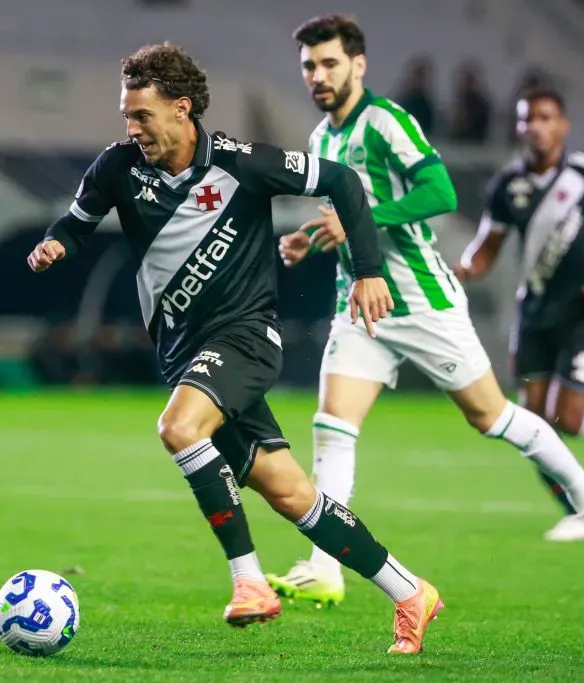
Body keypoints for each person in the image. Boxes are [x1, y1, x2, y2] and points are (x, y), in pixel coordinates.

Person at [27, 42, 443, 654]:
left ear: (182, 108)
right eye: (127, 115)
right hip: (184, 355)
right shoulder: (117, 168)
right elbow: (76, 222)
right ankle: (410, 592)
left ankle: (249, 581)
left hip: (245, 338)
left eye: (142, 115)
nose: (131, 128)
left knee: (178, 428)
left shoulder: (242, 164)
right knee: (291, 494)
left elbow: (343, 181)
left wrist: (367, 270)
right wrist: (56, 243)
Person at [266, 15, 584, 607]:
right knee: (332, 426)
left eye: (329, 63)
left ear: (358, 64)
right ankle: (325, 566)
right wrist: (312, 235)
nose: (318, 76)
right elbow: (349, 218)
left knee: (490, 415)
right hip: (362, 303)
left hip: (422, 300)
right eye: (309, 66)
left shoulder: (386, 122)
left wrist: (359, 220)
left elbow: (441, 193)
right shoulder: (321, 139)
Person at [456, 87, 584, 542]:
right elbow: (486, 249)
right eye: (527, 119)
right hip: (533, 315)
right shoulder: (507, 186)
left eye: (545, 118)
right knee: (533, 422)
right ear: (518, 127)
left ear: (563, 124)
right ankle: (577, 511)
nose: (536, 127)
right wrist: (460, 268)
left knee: (568, 417)